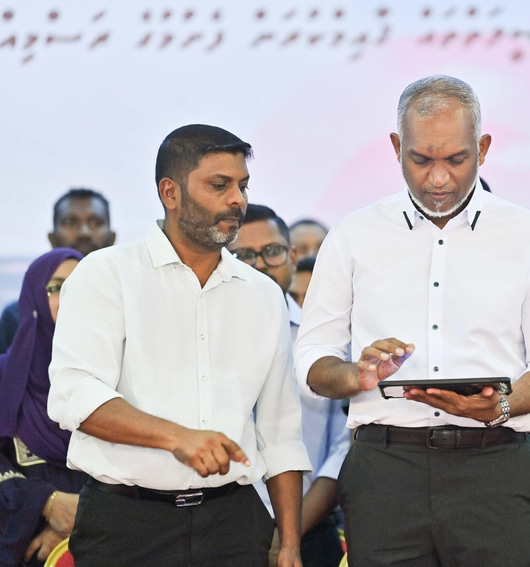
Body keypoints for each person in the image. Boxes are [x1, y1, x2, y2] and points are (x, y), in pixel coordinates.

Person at [294, 75, 530, 566]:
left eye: (456, 159)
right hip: (384, 472)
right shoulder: (352, 236)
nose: (438, 179)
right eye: (421, 160)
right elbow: (312, 357)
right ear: (396, 147)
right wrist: (354, 375)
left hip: (493, 468)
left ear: (483, 149)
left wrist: (502, 405)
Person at [47, 125, 311, 567]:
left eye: (243, 186)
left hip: (234, 523)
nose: (238, 200)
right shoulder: (106, 274)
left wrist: (289, 544)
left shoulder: (263, 294)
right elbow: (75, 395)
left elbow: (281, 431)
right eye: (219, 185)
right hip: (126, 522)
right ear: (170, 192)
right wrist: (178, 437)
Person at [229, 204, 350, 567]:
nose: (260, 265)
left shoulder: (326, 338)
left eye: (272, 251)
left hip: (311, 527)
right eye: (243, 255)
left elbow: (343, 449)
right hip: (221, 530)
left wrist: (288, 535)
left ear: (293, 257)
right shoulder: (202, 336)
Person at [0, 248, 83, 567]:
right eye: (56, 287)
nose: (71, 296)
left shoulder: (118, 381)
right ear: (32, 296)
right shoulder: (4, 377)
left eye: (81, 286)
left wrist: (83, 517)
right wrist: (47, 504)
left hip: (102, 544)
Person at [0, 188, 116, 354]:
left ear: (112, 238)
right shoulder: (16, 317)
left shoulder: (130, 307)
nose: (84, 232)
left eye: (95, 223)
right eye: (70, 222)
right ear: (52, 238)